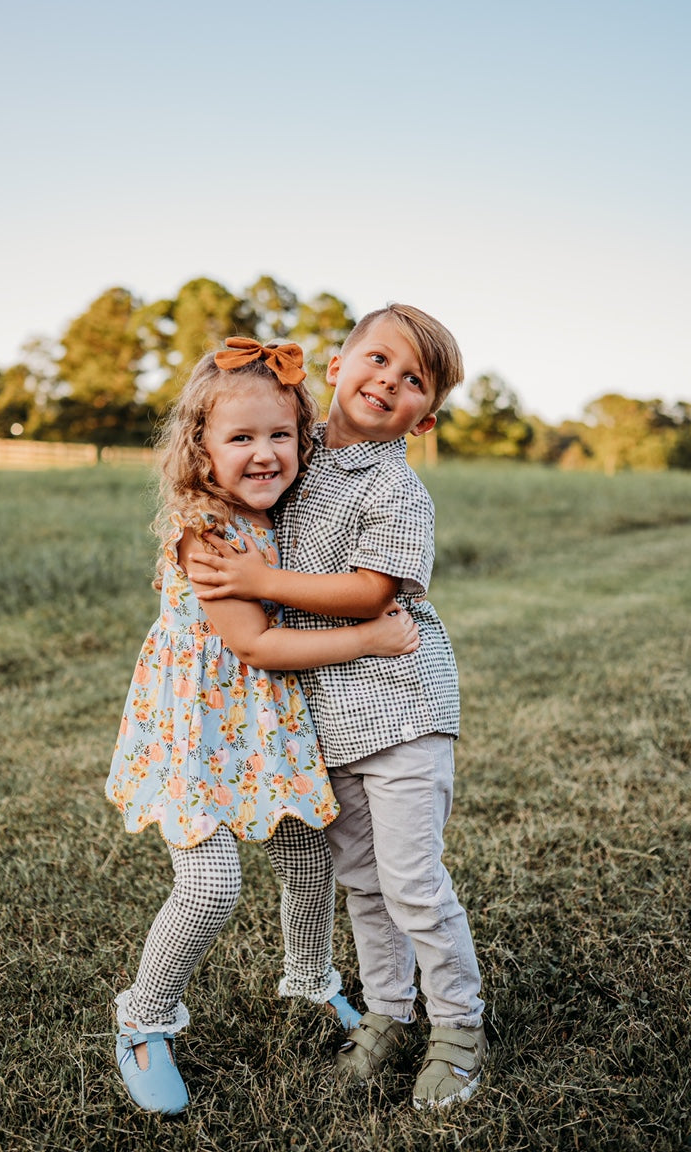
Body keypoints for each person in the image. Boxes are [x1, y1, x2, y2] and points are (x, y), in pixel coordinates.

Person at [105, 337, 419, 1116]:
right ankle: (142, 1021)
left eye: (280, 435)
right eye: (240, 438)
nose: (264, 453)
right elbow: (255, 643)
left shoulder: (279, 515)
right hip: (199, 731)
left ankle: (310, 981)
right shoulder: (207, 529)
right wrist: (369, 636)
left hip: (261, 728)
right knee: (209, 887)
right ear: (199, 448)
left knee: (308, 857)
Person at [188, 305, 487, 1111]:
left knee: (413, 882)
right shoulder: (294, 452)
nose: (389, 381)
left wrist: (261, 584)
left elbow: (371, 593)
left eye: (414, 380)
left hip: (400, 708)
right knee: (361, 880)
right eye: (379, 359)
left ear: (425, 418)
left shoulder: (397, 488)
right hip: (325, 715)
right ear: (336, 364)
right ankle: (390, 1013)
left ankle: (458, 1030)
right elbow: (228, 463)